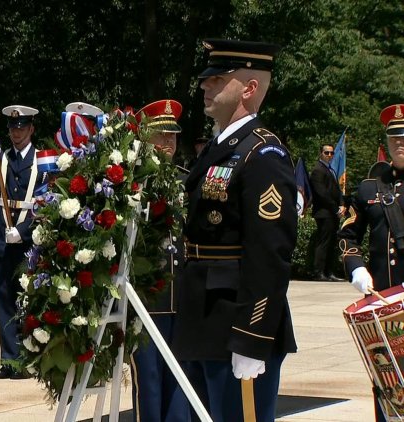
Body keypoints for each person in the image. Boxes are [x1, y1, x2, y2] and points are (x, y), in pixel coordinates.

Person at [173, 39, 297, 422]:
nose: (204, 86)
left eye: (218, 79)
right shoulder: (219, 149)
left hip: (236, 326)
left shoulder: (263, 154)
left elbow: (269, 254)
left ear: (249, 88)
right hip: (203, 322)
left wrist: (253, 337)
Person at [338, 103, 404, 422]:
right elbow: (347, 235)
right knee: (387, 383)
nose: (400, 143)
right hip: (382, 304)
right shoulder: (369, 189)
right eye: (394, 138)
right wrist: (356, 268)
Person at [132, 99, 190, 422]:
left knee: (180, 380)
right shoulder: (132, 183)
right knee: (150, 383)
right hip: (147, 298)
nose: (168, 142)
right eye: (160, 135)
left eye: (172, 136)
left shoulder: (186, 181)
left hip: (180, 296)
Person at [0, 104, 48, 379]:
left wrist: (23, 230)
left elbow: (45, 201)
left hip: (28, 240)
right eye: (12, 127)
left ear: (31, 129)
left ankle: (28, 357)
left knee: (29, 301)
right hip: (3, 237)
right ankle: (9, 359)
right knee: (5, 300)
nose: (16, 132)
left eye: (21, 127)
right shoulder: (2, 158)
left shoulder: (41, 160)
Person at [309, 144, 345, 281]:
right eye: (326, 153)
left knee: (331, 243)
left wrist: (342, 204)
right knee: (324, 242)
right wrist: (335, 208)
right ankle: (319, 272)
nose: (329, 155)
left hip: (333, 212)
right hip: (324, 212)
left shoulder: (330, 169)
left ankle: (329, 272)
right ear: (321, 153)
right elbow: (321, 193)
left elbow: (337, 190)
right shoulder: (318, 170)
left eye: (331, 153)